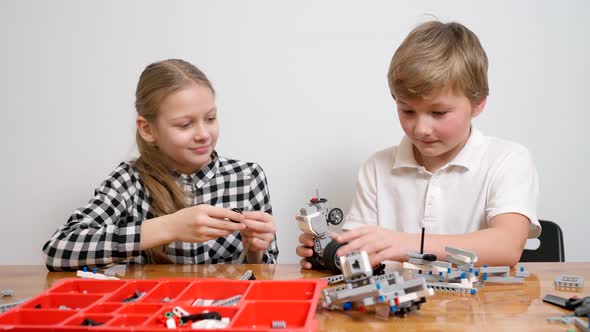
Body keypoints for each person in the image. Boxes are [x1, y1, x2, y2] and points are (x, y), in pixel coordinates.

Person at [297, 21, 540, 268]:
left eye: (439, 112)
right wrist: (329, 252)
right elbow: (360, 253)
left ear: (478, 103)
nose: (421, 129)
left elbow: (507, 246)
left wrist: (407, 244)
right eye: (407, 111)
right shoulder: (376, 168)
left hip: (478, 306)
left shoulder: (508, 160)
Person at [43, 59, 278, 271]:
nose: (203, 134)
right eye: (185, 124)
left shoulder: (247, 177)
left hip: (229, 314)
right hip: (153, 314)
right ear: (147, 129)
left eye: (210, 118)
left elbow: (268, 274)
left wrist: (255, 252)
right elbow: (58, 250)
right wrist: (169, 227)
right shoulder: (130, 181)